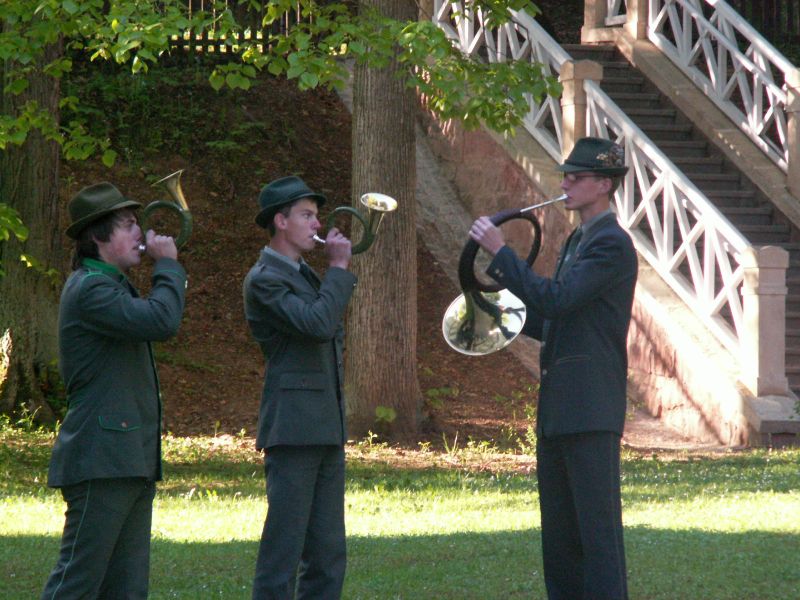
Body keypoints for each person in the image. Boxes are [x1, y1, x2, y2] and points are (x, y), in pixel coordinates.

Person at [469, 137, 637, 600]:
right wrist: (499, 316)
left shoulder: (611, 244)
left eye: (576, 178)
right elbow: (554, 320)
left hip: (590, 407)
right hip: (561, 409)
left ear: (604, 184)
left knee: (597, 536)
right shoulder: (578, 241)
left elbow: (558, 300)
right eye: (566, 176)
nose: (565, 184)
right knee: (560, 540)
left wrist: (502, 253)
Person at [41, 182, 186, 599]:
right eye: (127, 224)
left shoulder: (111, 285)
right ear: (99, 237)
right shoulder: (91, 288)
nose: (140, 231)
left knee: (126, 589)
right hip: (101, 459)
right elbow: (161, 320)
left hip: (126, 458)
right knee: (76, 585)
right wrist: (168, 267)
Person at [243, 175, 356, 600]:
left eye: (316, 215)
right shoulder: (264, 278)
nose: (317, 224)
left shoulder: (302, 273)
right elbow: (317, 324)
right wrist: (339, 269)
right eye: (307, 215)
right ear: (280, 221)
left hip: (324, 425)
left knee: (328, 555)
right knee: (283, 552)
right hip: (293, 428)